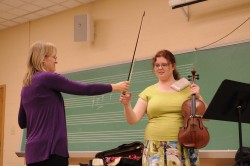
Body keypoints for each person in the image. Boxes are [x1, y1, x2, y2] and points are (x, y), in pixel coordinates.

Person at [18, 41, 130, 166]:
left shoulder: (25, 86)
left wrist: (51, 110)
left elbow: (22, 122)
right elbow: (84, 89)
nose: (56, 61)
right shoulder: (47, 77)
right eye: (54, 57)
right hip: (51, 152)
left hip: (33, 154)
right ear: (43, 59)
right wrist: (114, 87)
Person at [119, 49, 207, 166]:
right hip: (155, 145)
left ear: (173, 66)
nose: (160, 68)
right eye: (157, 65)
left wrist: (198, 96)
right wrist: (126, 105)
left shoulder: (187, 89)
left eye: (164, 64)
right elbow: (133, 119)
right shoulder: (148, 91)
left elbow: (205, 117)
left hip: (183, 144)